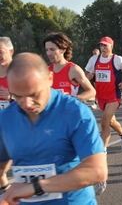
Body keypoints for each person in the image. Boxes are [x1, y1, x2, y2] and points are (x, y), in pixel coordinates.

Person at [0, 53, 107, 204]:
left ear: (50, 79)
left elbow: (97, 171)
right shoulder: (5, 118)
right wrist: (5, 192)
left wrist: (36, 186)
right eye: (17, 96)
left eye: (34, 95)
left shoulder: (75, 112)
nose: (27, 104)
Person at [85, 36, 122, 151]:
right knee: (111, 121)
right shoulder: (94, 59)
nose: (102, 48)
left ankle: (102, 151)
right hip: (101, 96)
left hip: (113, 96)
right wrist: (88, 76)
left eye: (105, 45)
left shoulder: (117, 59)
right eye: (101, 45)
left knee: (104, 121)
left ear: (112, 46)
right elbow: (86, 71)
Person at [43, 32, 96, 101]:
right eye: (47, 50)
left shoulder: (73, 69)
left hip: (69, 110)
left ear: (63, 50)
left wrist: (72, 99)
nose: (49, 53)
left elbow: (91, 91)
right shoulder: (46, 71)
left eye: (52, 49)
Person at [0, 37, 14, 196]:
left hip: (19, 130)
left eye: (1, 52)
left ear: (11, 52)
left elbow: (35, 99)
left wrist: (12, 97)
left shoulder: (19, 73)